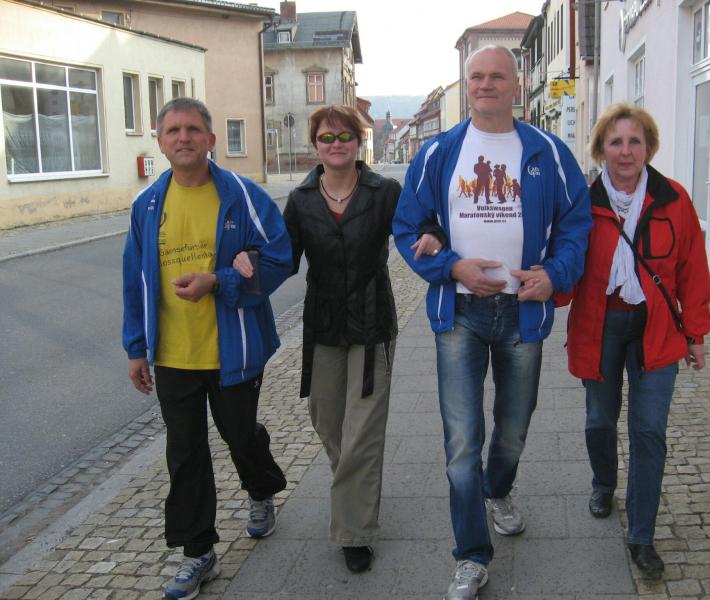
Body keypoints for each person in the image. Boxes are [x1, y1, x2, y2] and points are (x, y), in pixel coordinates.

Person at [393, 46, 592, 600]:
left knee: (513, 428)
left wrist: (554, 274)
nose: (486, 85)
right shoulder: (438, 152)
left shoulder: (548, 151)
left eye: (497, 76)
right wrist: (451, 267)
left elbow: (577, 223)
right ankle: (471, 556)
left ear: (516, 83)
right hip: (459, 312)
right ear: (467, 83)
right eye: (476, 76)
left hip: (522, 311)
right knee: (462, 441)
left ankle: (497, 489)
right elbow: (408, 226)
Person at [122, 98, 293, 599]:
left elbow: (281, 257)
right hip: (173, 355)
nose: (184, 138)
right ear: (160, 141)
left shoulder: (240, 194)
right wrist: (136, 348)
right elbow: (134, 281)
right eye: (174, 130)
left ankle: (261, 490)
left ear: (211, 140)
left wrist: (219, 281)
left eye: (194, 129)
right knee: (185, 453)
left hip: (233, 349)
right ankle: (198, 552)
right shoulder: (147, 205)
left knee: (240, 436)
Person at [276, 105, 443, 574]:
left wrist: (432, 234)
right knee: (328, 421)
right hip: (323, 322)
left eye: (345, 135)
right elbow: (281, 259)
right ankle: (356, 489)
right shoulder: (301, 200)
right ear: (316, 145)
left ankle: (354, 531)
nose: (336, 144)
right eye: (327, 137)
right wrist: (244, 260)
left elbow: (419, 223)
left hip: (372, 322)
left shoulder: (383, 192)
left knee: (364, 428)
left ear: (358, 141)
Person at [561, 102, 710, 579]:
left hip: (657, 328)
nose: (625, 151)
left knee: (649, 431)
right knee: (599, 419)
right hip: (600, 324)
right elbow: (566, 265)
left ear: (648, 147)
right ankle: (604, 482)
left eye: (634, 141)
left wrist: (697, 333)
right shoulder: (582, 203)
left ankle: (642, 536)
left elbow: (692, 269)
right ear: (600, 149)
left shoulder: (674, 199)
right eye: (615, 142)